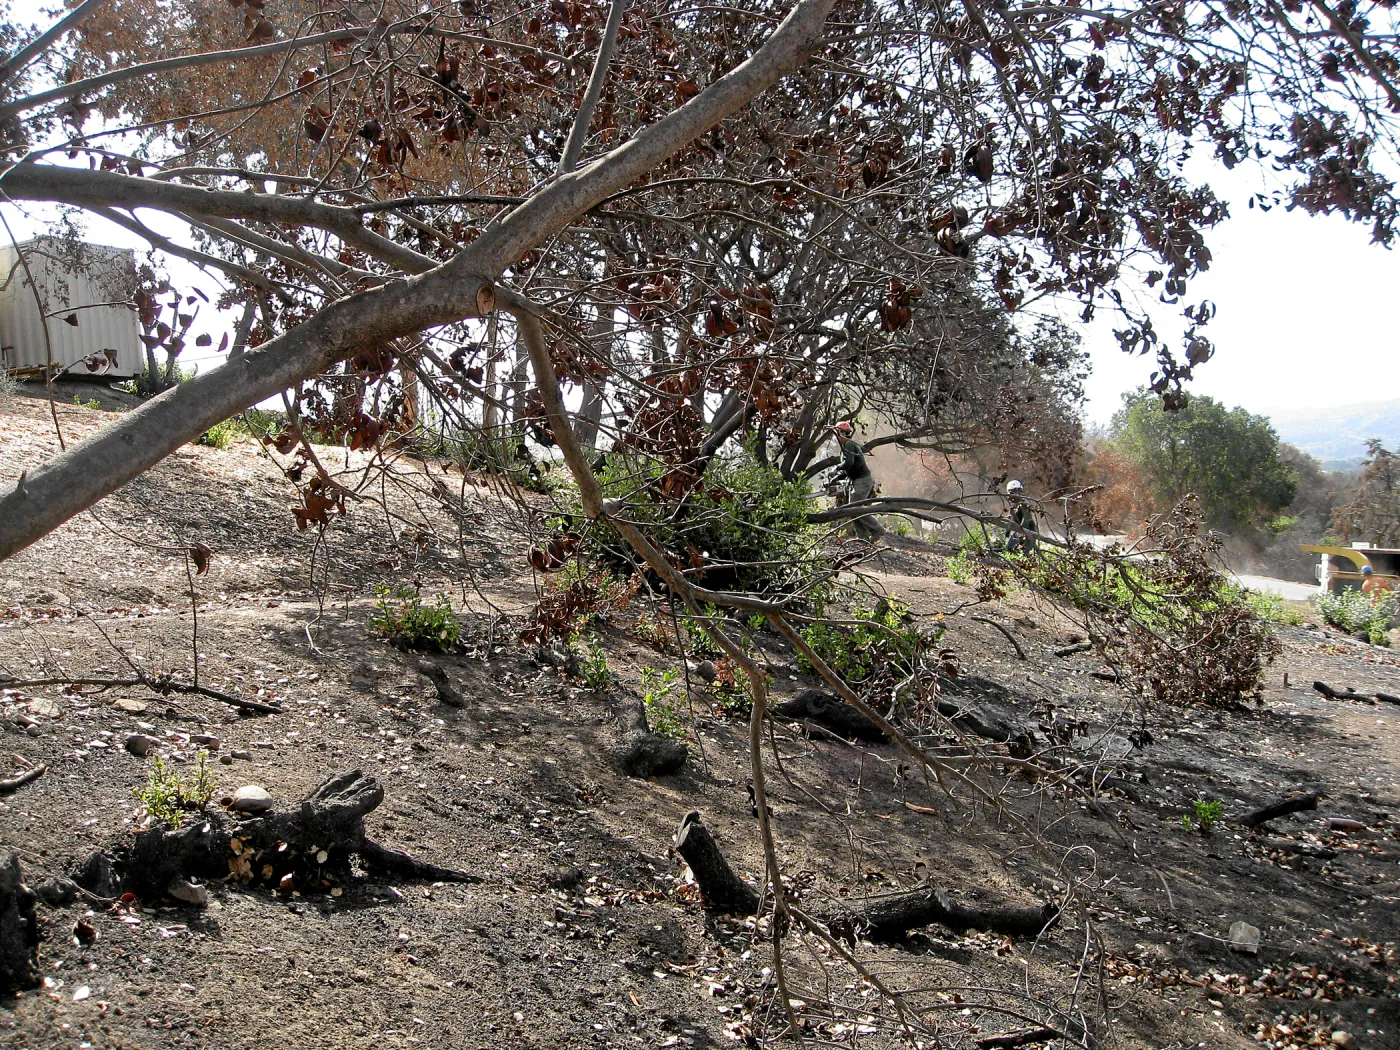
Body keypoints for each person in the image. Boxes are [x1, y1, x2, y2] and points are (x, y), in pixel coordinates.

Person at [832, 421, 879, 539]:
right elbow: (849, 467)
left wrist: (836, 468)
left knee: (855, 508)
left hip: (862, 480)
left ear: (843, 432)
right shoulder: (846, 447)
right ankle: (863, 538)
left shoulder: (849, 444)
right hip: (857, 481)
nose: (837, 435)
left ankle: (877, 529)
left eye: (838, 432)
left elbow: (849, 463)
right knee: (852, 510)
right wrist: (836, 477)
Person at [1005, 479, 1038, 554]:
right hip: (1021, 530)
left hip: (1029, 530)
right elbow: (1013, 519)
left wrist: (1019, 532)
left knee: (1024, 552)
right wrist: (1008, 530)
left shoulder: (1024, 503)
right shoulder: (1014, 505)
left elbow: (1026, 520)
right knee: (1010, 548)